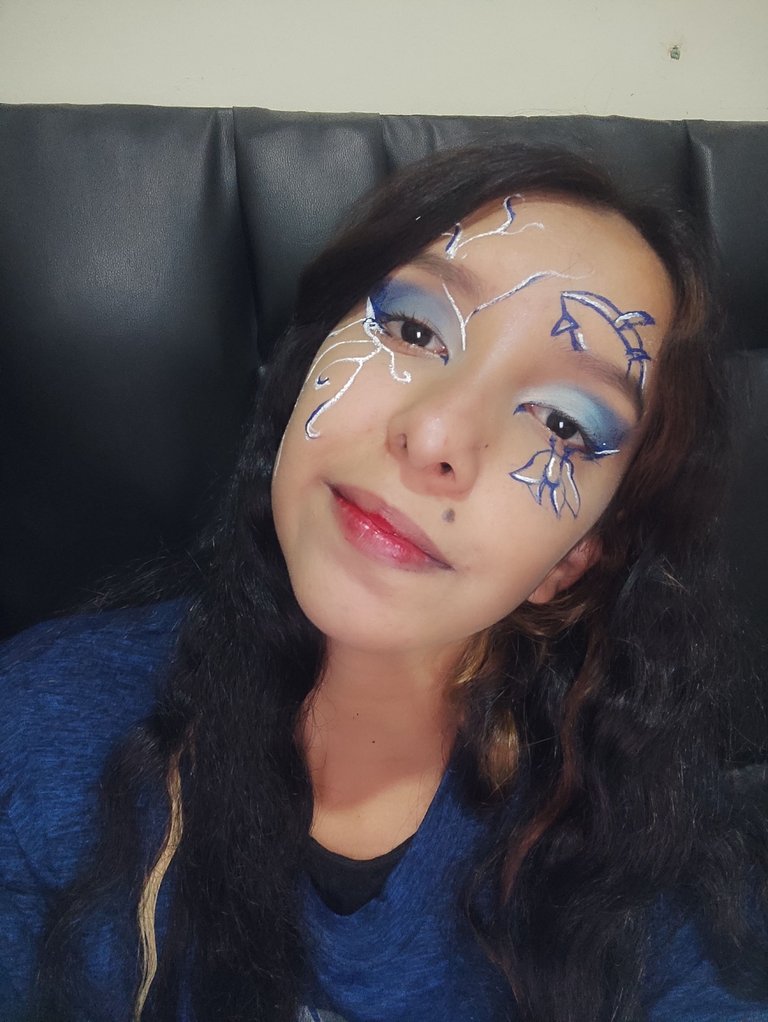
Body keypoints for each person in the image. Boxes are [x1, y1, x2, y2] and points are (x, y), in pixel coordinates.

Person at [1, 142, 767, 1022]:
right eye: (412, 329)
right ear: (306, 368)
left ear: (576, 556)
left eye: (562, 422)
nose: (435, 434)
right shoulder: (37, 731)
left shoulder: (642, 836)